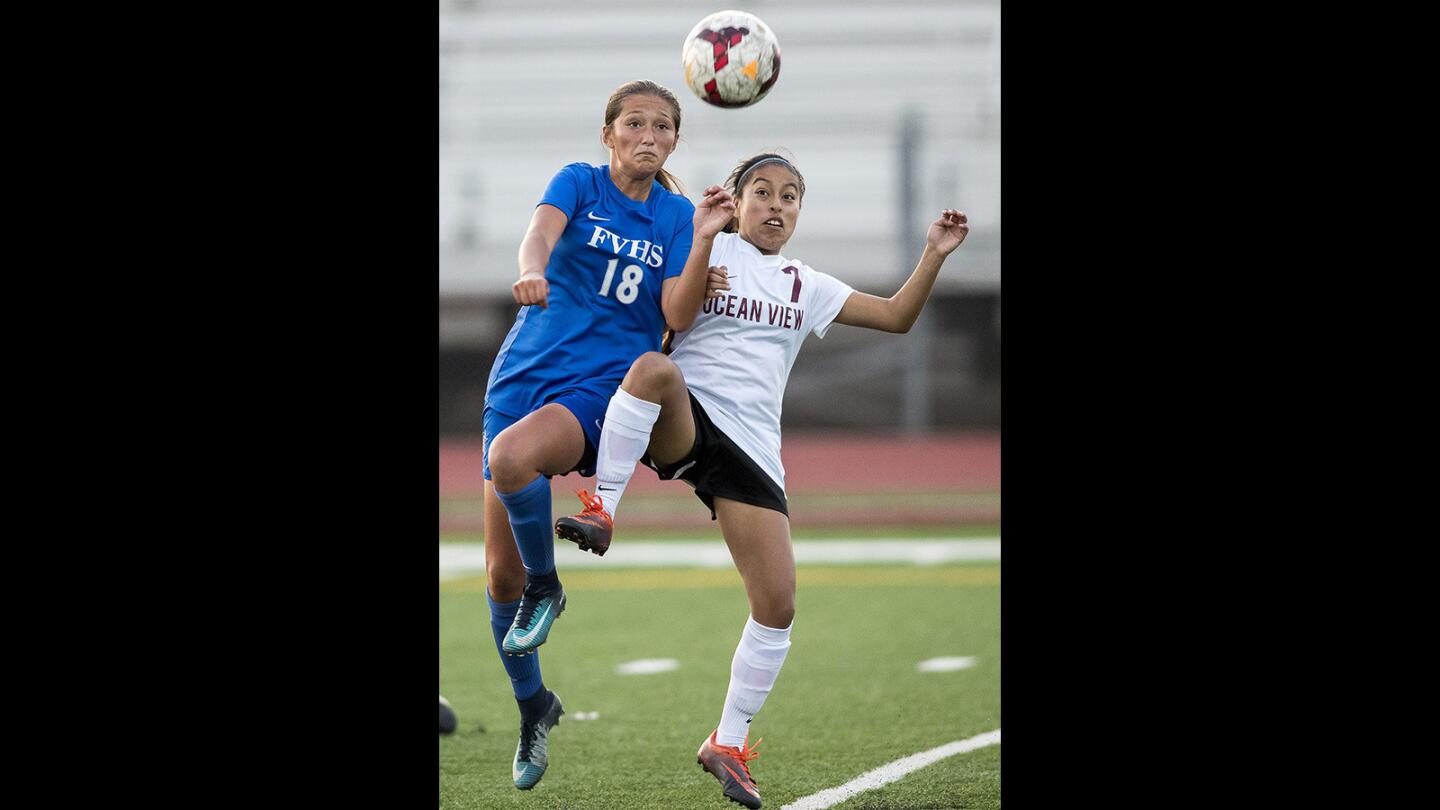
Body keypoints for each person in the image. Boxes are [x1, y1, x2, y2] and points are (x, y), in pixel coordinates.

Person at [555, 152, 969, 809]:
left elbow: (895, 316)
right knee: (653, 370)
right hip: (689, 418)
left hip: (751, 452)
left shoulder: (805, 284)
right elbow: (660, 308)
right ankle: (602, 507)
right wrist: (696, 251)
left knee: (777, 606)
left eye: (790, 196)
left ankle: (727, 741)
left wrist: (935, 253)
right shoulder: (708, 246)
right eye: (763, 192)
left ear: (800, 211)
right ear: (739, 201)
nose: (776, 205)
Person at [479, 79, 720, 790]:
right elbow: (540, 235)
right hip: (521, 377)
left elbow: (677, 312)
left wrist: (704, 238)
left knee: (512, 460)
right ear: (609, 133)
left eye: (664, 127)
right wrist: (529, 270)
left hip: (597, 390)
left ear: (675, 141)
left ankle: (549, 589)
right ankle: (534, 708)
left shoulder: (677, 214)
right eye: (636, 123)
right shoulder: (578, 182)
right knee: (499, 576)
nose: (650, 135)